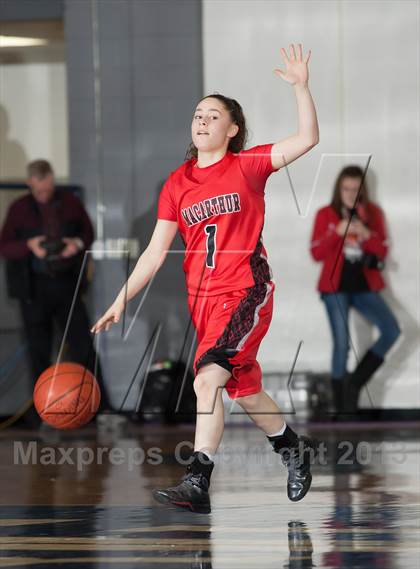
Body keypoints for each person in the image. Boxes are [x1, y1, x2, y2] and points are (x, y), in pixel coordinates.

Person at [92, 43, 319, 512]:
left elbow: (306, 139)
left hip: (246, 290)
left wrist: (301, 88)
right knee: (246, 391)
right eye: (198, 114)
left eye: (213, 116)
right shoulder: (178, 183)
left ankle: (198, 481)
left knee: (206, 379)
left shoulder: (248, 165)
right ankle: (294, 449)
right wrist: (121, 299)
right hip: (205, 302)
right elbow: (155, 253)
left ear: (233, 130)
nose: (202, 121)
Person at [0, 159, 112, 425]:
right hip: (33, 288)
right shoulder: (19, 209)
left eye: (48, 189)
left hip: (67, 286)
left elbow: (88, 233)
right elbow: (5, 247)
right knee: (38, 350)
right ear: (30, 184)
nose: (44, 194)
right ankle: (41, 413)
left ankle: (100, 408)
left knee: (83, 346)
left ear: (52, 181)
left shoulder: (70, 203)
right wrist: (30, 245)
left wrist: (74, 243)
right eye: (39, 191)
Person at [310, 165, 401, 417]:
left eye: (355, 189)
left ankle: (355, 383)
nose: (351, 193)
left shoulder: (372, 213)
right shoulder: (326, 214)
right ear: (339, 189)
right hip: (335, 287)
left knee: (391, 329)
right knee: (342, 344)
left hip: (364, 285)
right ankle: (341, 408)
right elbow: (316, 252)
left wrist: (366, 233)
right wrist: (336, 232)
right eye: (346, 189)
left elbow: (381, 250)